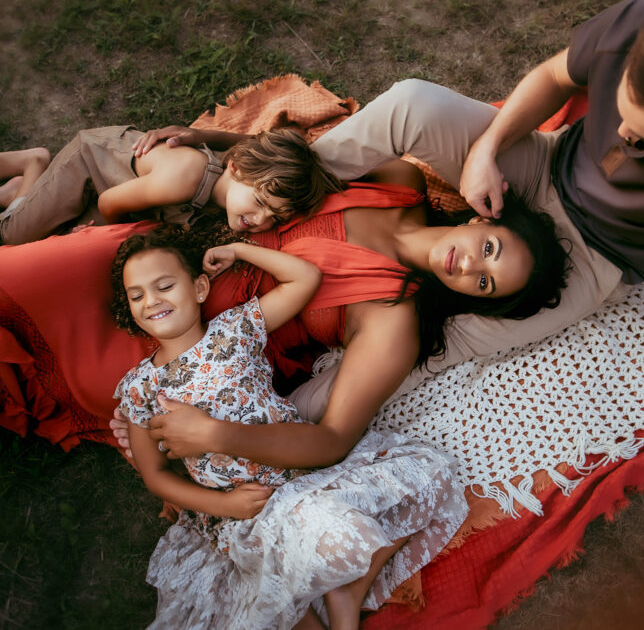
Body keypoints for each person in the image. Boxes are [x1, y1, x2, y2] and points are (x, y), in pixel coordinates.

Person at [137, 0, 644, 411]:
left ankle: (277, 409)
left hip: (595, 256)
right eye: (622, 110)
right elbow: (551, 76)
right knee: (411, 104)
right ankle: (269, 186)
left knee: (450, 338)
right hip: (542, 162)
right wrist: (486, 148)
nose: (622, 137)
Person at [0, 160, 569, 463]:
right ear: (482, 219)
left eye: (484, 286)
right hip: (168, 259)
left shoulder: (393, 319)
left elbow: (336, 438)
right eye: (492, 250)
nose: (471, 267)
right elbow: (284, 164)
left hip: (190, 343)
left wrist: (218, 431)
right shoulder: (398, 178)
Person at [111, 227, 466, 629]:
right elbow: (154, 476)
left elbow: (305, 278)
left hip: (300, 475)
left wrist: (238, 249)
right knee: (269, 613)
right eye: (137, 295)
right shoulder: (139, 388)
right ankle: (331, 590)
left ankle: (348, 586)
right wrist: (223, 506)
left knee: (426, 477)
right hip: (242, 514)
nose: (152, 300)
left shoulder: (234, 330)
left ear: (199, 288)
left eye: (164, 286)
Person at [0, 127, 344, 241]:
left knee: (63, 234)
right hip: (92, 166)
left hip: (123, 186)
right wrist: (96, 233)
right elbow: (110, 204)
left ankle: (28, 193)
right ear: (239, 169)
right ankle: (33, 166)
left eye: (275, 218)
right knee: (15, 237)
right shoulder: (185, 179)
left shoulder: (232, 185)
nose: (260, 220)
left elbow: (250, 144)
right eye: (261, 202)